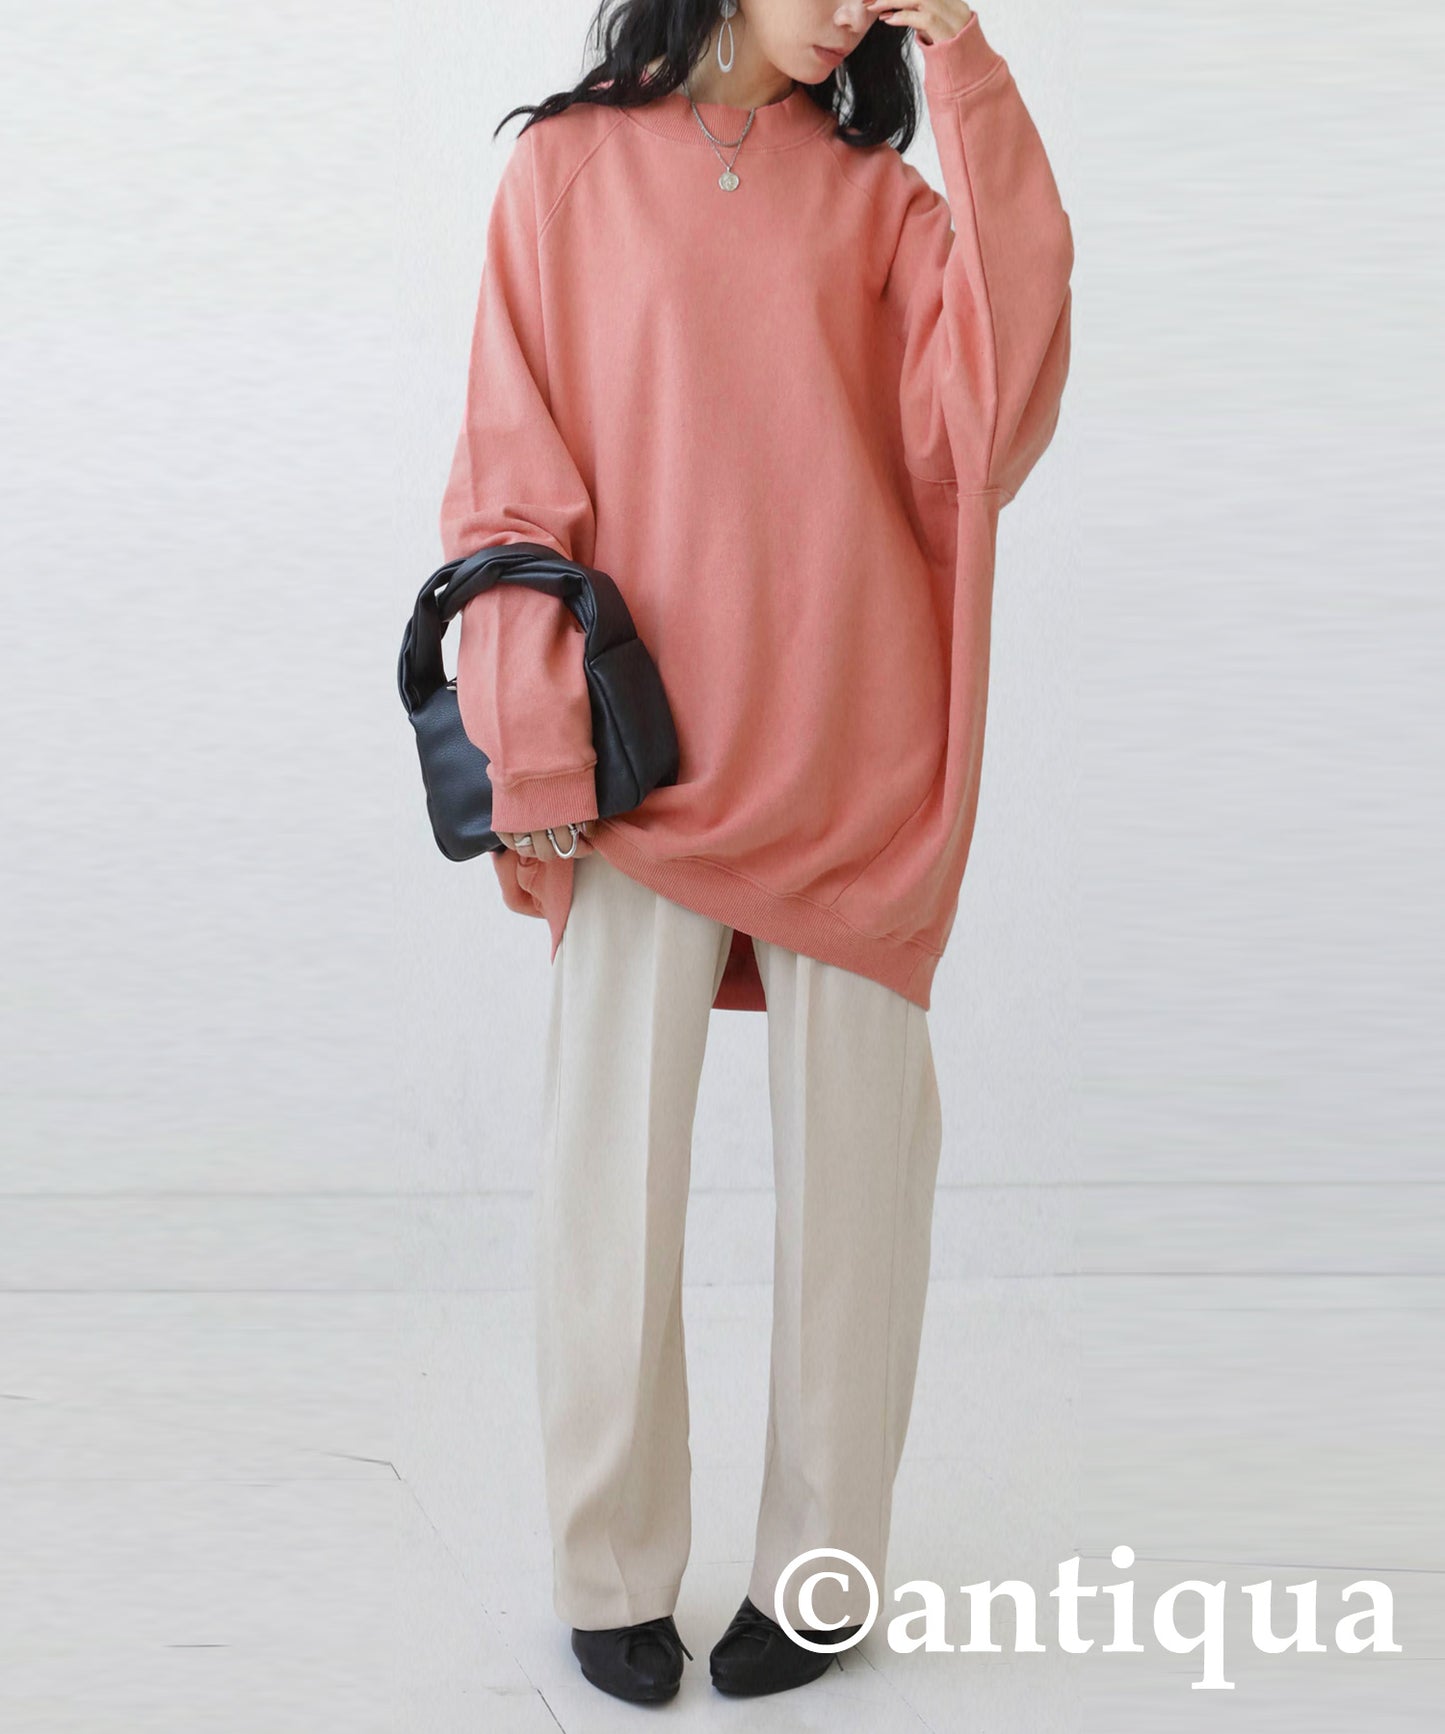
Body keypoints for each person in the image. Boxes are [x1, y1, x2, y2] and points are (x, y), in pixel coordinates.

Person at [437, 0, 1073, 1705]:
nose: (856, 7)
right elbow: (507, 480)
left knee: (860, 1197)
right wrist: (535, 735)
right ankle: (609, 1564)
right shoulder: (565, 174)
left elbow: (1001, 413)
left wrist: (965, 67)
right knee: (606, 1187)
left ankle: (822, 1573)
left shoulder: (886, 209)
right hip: (640, 771)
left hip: (854, 758)